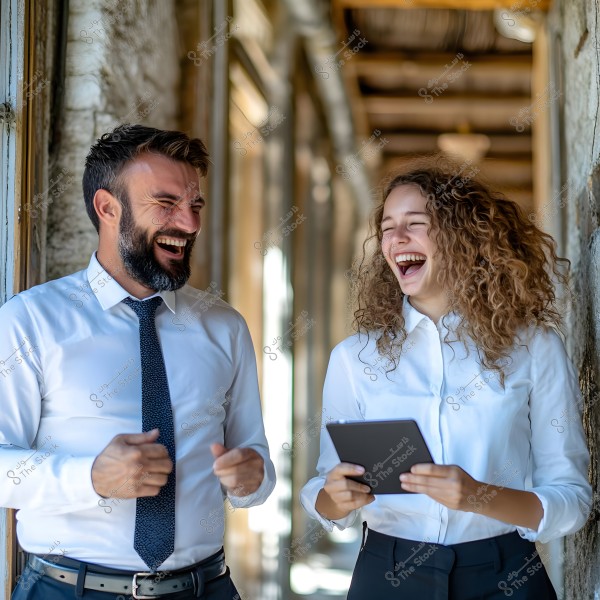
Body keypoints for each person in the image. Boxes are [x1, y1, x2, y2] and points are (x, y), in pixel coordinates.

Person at [1, 124, 275, 600]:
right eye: (166, 204)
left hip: (205, 588)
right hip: (68, 590)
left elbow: (256, 464)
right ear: (108, 208)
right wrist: (91, 477)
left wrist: (253, 478)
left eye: (195, 206)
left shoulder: (225, 327)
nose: (189, 225)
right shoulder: (31, 321)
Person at [300, 156, 591, 599]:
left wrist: (480, 496)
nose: (397, 239)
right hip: (386, 576)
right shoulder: (353, 360)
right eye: (386, 228)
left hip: (505, 574)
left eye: (415, 223)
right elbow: (327, 492)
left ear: (462, 236)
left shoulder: (535, 349)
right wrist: (333, 498)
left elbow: (572, 500)